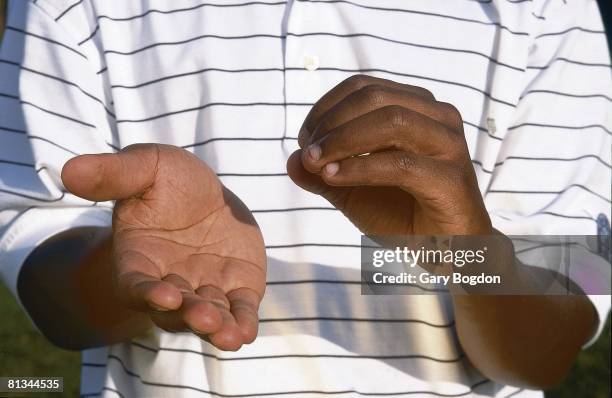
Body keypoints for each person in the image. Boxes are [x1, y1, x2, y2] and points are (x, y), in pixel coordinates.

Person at [0, 0, 610, 397]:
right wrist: (132, 275)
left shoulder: (550, 10)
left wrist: (465, 252)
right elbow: (46, 288)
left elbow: (550, 351)